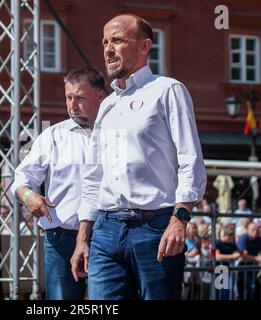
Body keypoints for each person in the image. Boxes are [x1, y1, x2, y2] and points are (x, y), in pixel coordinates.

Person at [70, 14, 207, 300]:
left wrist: (180, 218)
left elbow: (190, 159)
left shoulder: (167, 90)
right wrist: (83, 238)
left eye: (118, 40)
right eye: (105, 42)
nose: (108, 49)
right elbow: (95, 176)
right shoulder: (106, 105)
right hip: (106, 232)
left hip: (154, 228)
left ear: (144, 47)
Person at [11, 67, 105, 300]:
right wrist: (28, 196)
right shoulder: (52, 135)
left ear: (100, 96)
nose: (72, 104)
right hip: (61, 238)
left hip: (107, 237)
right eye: (68, 97)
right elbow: (21, 178)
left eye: (80, 97)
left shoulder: (117, 134)